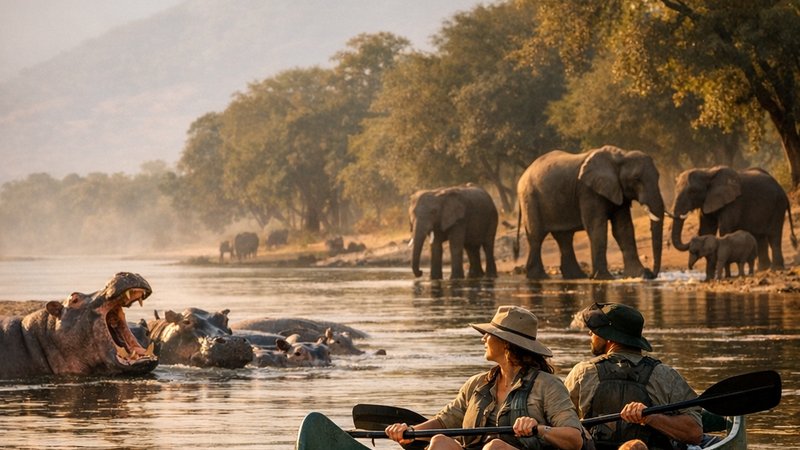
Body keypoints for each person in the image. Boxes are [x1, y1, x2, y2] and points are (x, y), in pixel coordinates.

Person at [385, 305, 584, 450]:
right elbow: (444, 421)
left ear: (506, 344)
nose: (483, 338)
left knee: (495, 447)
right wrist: (409, 431)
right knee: (439, 441)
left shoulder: (548, 385)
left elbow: (575, 439)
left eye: (488, 334)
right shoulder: (477, 384)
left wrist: (539, 429)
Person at [564, 302, 703, 450]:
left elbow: (694, 433)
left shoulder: (582, 372)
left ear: (610, 337)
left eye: (596, 330)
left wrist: (649, 417)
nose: (590, 334)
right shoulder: (666, 376)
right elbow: (695, 433)